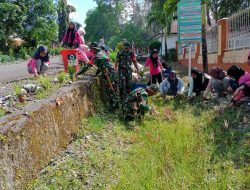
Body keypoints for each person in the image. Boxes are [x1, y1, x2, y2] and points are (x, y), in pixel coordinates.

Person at [92, 45, 119, 110]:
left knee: (110, 90)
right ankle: (116, 105)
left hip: (108, 74)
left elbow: (100, 66)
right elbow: (101, 66)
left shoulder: (98, 56)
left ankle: (113, 106)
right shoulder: (103, 53)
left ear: (95, 49)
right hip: (113, 72)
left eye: (93, 49)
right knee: (114, 88)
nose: (92, 51)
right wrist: (96, 74)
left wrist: (78, 73)